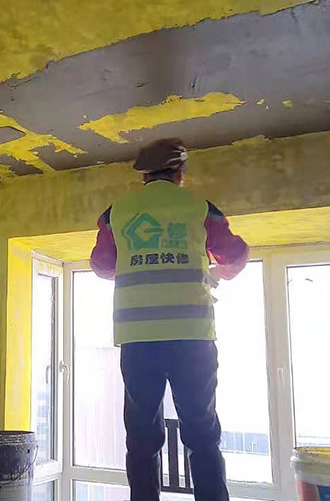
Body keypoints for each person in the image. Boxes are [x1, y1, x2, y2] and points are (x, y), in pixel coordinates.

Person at [90, 138, 249, 501]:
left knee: (141, 437)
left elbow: (102, 265)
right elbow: (236, 254)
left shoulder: (117, 213)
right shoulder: (200, 209)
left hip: (139, 341)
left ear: (144, 175)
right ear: (180, 172)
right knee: (202, 434)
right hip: (192, 338)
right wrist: (218, 273)